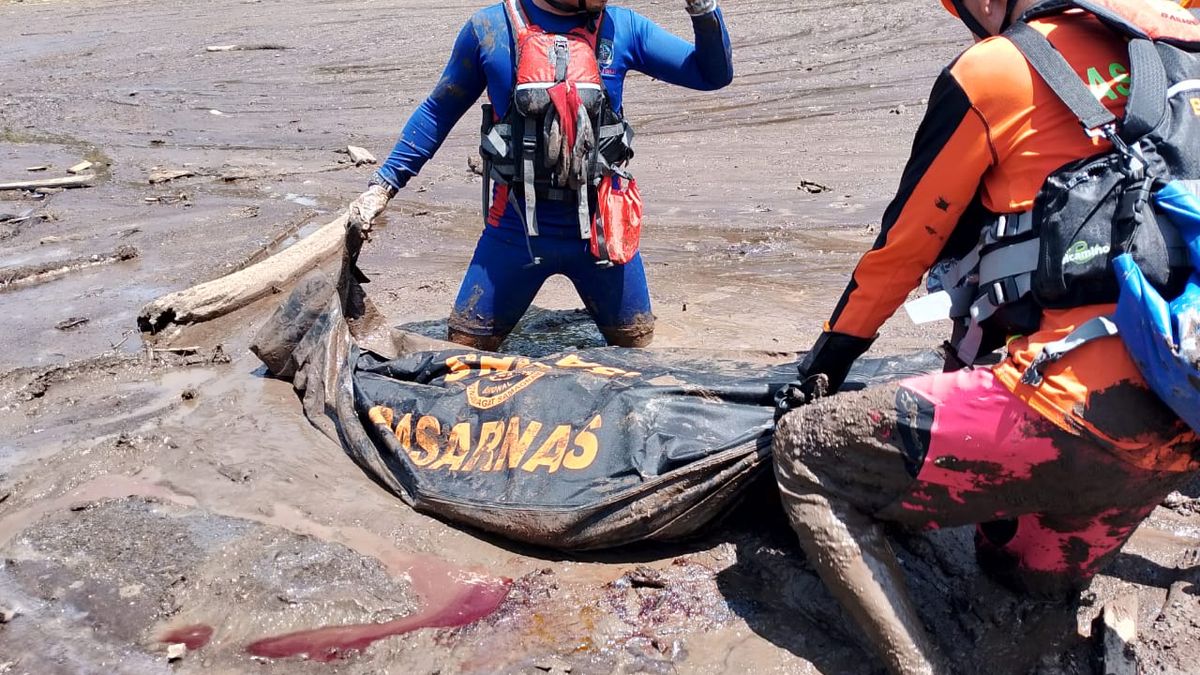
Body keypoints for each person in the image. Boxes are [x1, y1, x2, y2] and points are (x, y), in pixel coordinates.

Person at [771, 0, 1200, 671]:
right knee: (1016, 573)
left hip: (1075, 409)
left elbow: (904, 248)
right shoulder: (1184, 42)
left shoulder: (995, 69)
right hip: (1183, 424)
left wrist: (825, 364)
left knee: (803, 454)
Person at [347, 0, 733, 351]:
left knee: (637, 350)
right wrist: (381, 188)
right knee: (462, 355)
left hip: (603, 241)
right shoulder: (490, 29)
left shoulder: (622, 27)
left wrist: (702, 8)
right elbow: (437, 112)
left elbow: (711, 74)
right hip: (514, 234)